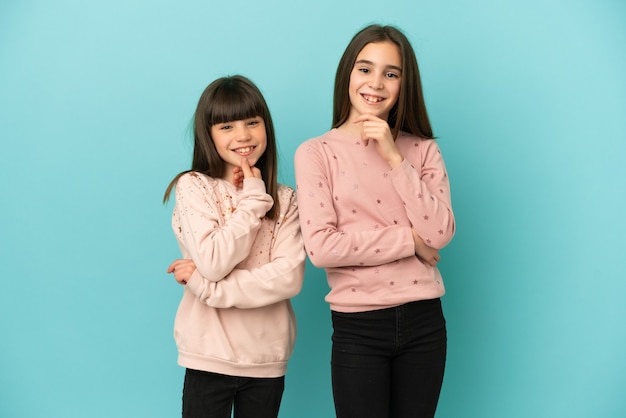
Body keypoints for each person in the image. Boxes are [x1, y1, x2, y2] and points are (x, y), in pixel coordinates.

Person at [294, 24, 455, 418]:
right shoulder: (316, 153)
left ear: (404, 84)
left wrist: (394, 157)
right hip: (358, 326)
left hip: (425, 322)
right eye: (365, 69)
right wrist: (408, 241)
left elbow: (439, 233)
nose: (376, 83)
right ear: (348, 73)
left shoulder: (421, 150)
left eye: (391, 73)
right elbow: (322, 248)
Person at [163, 75, 305, 418]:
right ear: (208, 134)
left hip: (266, 360)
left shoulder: (286, 199)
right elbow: (213, 261)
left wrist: (205, 287)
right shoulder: (194, 187)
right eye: (226, 126)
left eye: (252, 123)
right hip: (208, 355)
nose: (243, 136)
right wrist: (255, 199)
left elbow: (288, 279)